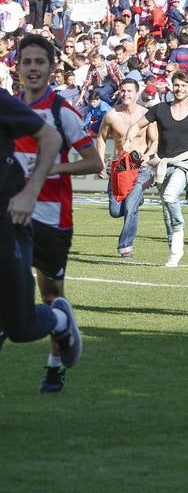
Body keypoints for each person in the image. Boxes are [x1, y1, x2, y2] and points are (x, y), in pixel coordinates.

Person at [11, 34, 100, 392]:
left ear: (51, 69)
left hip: (52, 217)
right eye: (27, 63)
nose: (33, 69)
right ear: (17, 69)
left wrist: (52, 169)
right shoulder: (10, 110)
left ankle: (55, 365)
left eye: (40, 63)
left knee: (50, 296)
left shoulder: (63, 112)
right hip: (16, 214)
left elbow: (94, 162)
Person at [0, 80, 81, 380]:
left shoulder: (5, 103)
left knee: (20, 327)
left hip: (9, 221)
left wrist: (29, 192)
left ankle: (59, 321)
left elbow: (49, 138)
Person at [139, 71, 188, 267]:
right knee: (166, 210)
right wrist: (128, 140)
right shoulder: (160, 109)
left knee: (170, 197)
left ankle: (179, 234)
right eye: (177, 85)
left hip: (184, 163)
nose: (179, 89)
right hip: (163, 164)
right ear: (172, 86)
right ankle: (174, 251)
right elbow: (138, 125)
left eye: (184, 86)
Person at [98, 77, 151, 257]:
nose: (126, 94)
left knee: (130, 208)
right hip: (119, 168)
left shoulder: (146, 114)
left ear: (136, 93)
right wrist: (99, 161)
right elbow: (101, 138)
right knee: (115, 211)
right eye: (123, 90)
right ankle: (136, 200)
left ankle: (125, 247)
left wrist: (148, 155)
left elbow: (156, 140)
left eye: (129, 91)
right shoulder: (112, 115)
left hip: (140, 168)